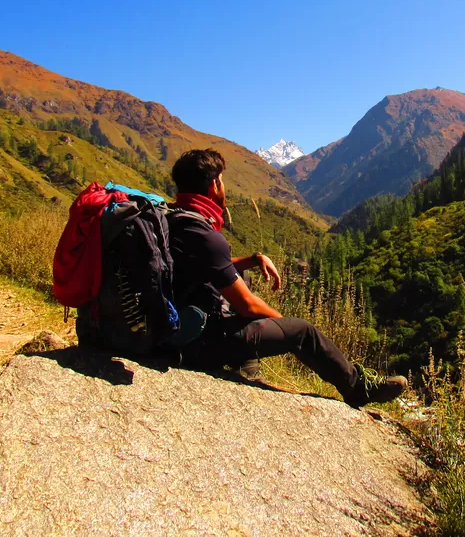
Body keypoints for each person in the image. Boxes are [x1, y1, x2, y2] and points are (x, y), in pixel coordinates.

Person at [166, 149, 407, 408]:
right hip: (201, 343)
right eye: (222, 180)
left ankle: (246, 367)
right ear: (214, 185)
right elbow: (247, 306)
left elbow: (208, 267)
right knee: (303, 331)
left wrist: (252, 259)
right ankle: (358, 387)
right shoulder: (206, 236)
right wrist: (283, 324)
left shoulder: (175, 219)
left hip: (176, 327)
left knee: (242, 275)